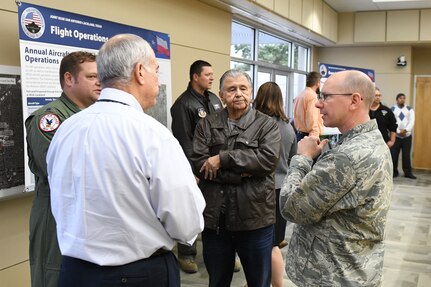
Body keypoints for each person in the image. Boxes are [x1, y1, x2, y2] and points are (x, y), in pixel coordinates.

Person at [46, 34, 206, 287]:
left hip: (74, 273)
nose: (158, 79)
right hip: (139, 275)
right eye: (156, 70)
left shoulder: (66, 130)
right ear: (140, 72)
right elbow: (186, 224)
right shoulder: (153, 135)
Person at [280, 70, 393, 286]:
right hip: (354, 268)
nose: (318, 104)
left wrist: (302, 158)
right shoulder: (371, 140)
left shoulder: (346, 157)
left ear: (354, 101)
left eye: (326, 96)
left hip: (332, 276)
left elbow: (291, 207)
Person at [191, 69, 281, 287]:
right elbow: (199, 163)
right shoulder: (207, 123)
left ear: (251, 92)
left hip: (255, 218)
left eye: (243, 88)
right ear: (221, 95)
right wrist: (244, 172)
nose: (238, 94)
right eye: (231, 89)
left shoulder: (266, 124)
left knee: (258, 282)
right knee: (218, 281)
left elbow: (267, 161)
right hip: (216, 220)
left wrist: (222, 159)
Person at [25, 51, 100, 287]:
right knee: (55, 276)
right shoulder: (50, 119)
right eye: (91, 77)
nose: (100, 82)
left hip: (87, 218)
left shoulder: (95, 117)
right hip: (56, 218)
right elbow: (62, 171)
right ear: (69, 79)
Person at [170, 60, 223, 273]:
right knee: (190, 209)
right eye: (207, 74)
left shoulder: (214, 99)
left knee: (217, 207)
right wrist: (196, 169)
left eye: (212, 74)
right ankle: (186, 253)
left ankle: (223, 251)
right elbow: (185, 141)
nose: (211, 77)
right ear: (195, 76)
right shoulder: (183, 105)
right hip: (196, 168)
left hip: (217, 164)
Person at [253, 82, 297, 287]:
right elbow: (293, 158)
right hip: (282, 190)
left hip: (261, 189)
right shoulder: (288, 127)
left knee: (264, 245)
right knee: (274, 243)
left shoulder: (256, 125)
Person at [391, 93, 416, 179]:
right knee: (394, 155)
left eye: (404, 98)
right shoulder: (392, 109)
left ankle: (408, 173)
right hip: (396, 136)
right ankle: (394, 172)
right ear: (397, 99)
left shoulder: (409, 109)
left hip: (407, 136)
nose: (402, 100)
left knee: (406, 155)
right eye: (400, 98)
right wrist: (398, 131)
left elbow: (411, 122)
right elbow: (392, 122)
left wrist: (405, 130)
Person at [293, 71, 324, 141]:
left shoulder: (299, 95)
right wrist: (314, 138)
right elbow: (312, 119)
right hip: (309, 136)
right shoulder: (312, 97)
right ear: (317, 83)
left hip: (299, 135)